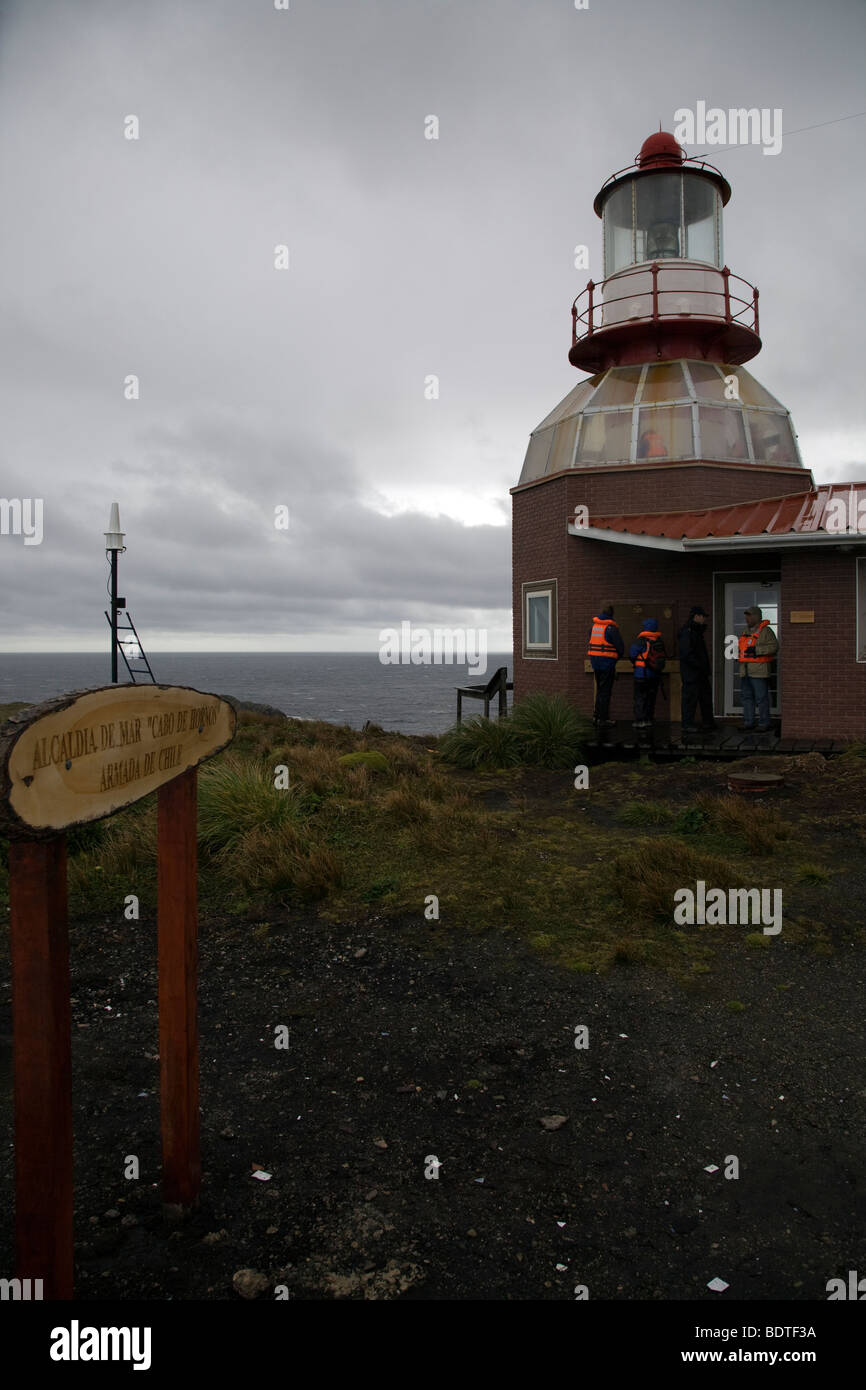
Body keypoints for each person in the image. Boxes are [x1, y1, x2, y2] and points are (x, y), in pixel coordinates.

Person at [738, 606, 778, 732]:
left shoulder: (766, 631)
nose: (747, 618)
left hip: (759, 671)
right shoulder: (745, 631)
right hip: (745, 670)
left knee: (761, 698)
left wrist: (757, 650)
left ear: (756, 616)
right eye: (746, 615)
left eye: (749, 615)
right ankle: (748, 722)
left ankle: (764, 723)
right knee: (747, 697)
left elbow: (774, 647)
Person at [677, 605, 716, 733]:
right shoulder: (688, 632)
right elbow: (686, 653)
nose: (704, 619)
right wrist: (699, 665)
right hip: (692, 673)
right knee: (690, 699)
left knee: (705, 697)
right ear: (696, 616)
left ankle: (708, 722)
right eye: (703, 616)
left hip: (700, 673)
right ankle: (687, 724)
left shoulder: (696, 631)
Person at [587, 603, 624, 727]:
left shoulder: (593, 627)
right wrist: (615, 659)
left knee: (599, 691)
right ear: (611, 614)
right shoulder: (611, 629)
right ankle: (603, 719)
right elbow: (620, 648)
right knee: (605, 692)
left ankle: (596, 716)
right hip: (607, 664)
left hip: (595, 664)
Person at [629, 619, 667, 728]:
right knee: (651, 698)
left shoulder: (640, 641)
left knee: (640, 698)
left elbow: (632, 654)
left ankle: (640, 721)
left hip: (641, 675)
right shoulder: (659, 640)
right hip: (655, 675)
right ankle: (649, 719)